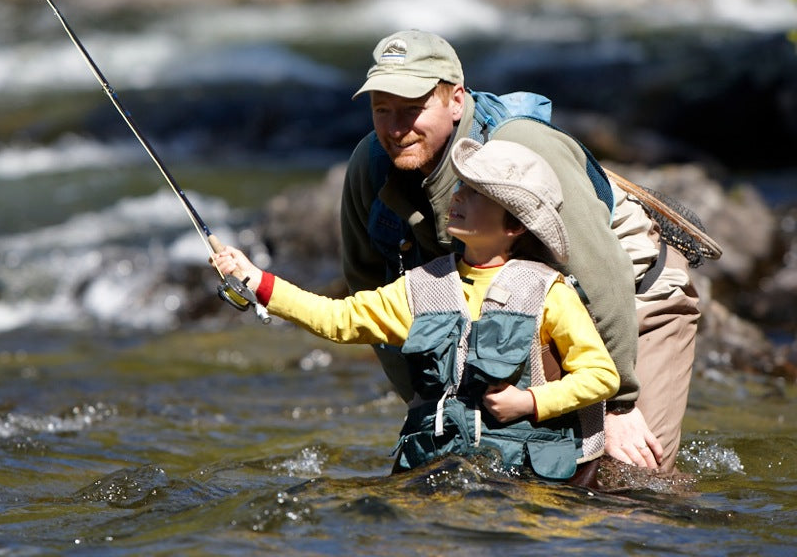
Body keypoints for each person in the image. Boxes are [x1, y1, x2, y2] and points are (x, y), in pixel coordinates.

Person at [339, 29, 700, 473]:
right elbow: (368, 288)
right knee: (502, 477)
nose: (396, 129)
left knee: (626, 482)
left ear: (456, 100)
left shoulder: (519, 148)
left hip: (635, 299)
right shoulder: (371, 167)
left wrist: (619, 406)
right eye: (382, 110)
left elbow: (604, 274)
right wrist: (427, 399)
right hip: (530, 314)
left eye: (413, 109)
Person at [214, 139, 619, 483]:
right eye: (460, 186)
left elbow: (601, 376)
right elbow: (337, 320)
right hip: (436, 476)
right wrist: (258, 282)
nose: (457, 196)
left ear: (513, 226)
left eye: (476, 193)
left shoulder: (549, 292)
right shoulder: (420, 288)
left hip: (526, 487)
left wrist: (529, 402)